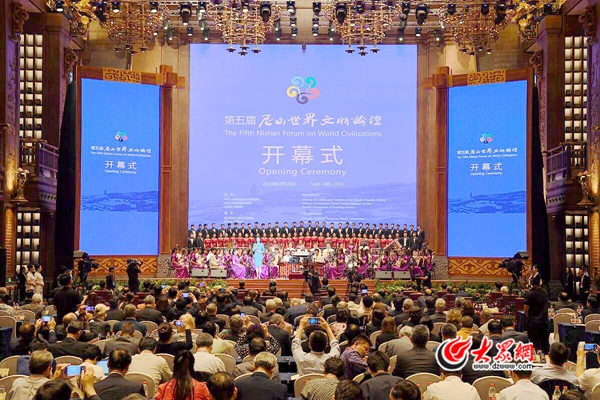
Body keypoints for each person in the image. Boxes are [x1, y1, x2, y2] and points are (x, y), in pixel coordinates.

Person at [524, 277, 549, 353]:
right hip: (544, 320)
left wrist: (529, 317)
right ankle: (546, 355)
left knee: (533, 341)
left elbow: (526, 309)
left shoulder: (530, 293)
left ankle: (534, 356)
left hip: (533, 321)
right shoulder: (545, 292)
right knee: (544, 341)